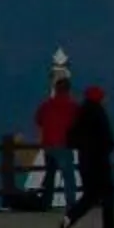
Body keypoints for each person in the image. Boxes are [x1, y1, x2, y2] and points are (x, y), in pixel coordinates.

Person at [61, 85, 114, 228]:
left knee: (91, 195)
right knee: (108, 194)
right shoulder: (99, 113)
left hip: (84, 159)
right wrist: (107, 149)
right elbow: (108, 138)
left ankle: (70, 217)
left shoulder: (80, 113)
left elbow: (70, 138)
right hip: (99, 160)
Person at [32, 77, 80, 209]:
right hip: (64, 144)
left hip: (48, 144)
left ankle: (46, 202)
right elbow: (78, 123)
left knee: (50, 174)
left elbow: (38, 120)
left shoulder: (46, 105)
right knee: (68, 176)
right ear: (69, 90)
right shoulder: (73, 106)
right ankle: (71, 204)